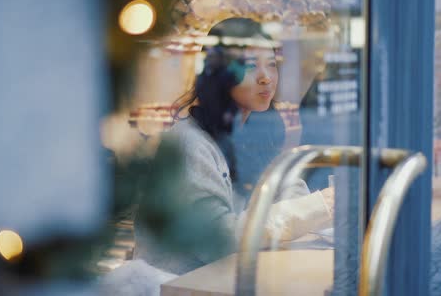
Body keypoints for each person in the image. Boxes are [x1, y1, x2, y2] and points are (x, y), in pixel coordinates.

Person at [133, 18, 334, 275]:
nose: (266, 78)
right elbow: (217, 239)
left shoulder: (259, 132)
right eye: (251, 66)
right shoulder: (190, 142)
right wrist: (317, 207)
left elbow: (288, 194)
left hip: (228, 279)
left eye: (271, 65)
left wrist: (319, 206)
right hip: (179, 285)